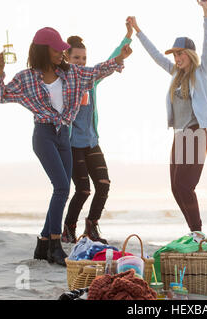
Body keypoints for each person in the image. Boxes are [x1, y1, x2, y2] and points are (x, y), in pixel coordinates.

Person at [0, 27, 132, 266]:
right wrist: (0, 72)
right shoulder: (26, 78)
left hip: (63, 135)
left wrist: (119, 59)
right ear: (44, 50)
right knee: (61, 188)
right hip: (44, 135)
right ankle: (55, 244)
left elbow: (97, 71)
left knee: (62, 189)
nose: (62, 52)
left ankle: (43, 244)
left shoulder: (72, 74)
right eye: (57, 49)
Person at [127, 0, 207, 232]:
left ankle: (198, 232)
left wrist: (206, 11)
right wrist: (138, 30)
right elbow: (155, 55)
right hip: (180, 135)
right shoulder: (175, 73)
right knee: (176, 187)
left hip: (196, 134)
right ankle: (194, 232)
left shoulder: (201, 72)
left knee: (185, 186)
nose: (177, 57)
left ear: (190, 54)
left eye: (180, 53)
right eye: (175, 54)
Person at [61, 23, 133, 244]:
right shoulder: (64, 83)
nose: (81, 62)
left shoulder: (91, 80)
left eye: (84, 58)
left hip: (91, 141)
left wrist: (127, 38)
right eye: (76, 58)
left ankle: (91, 226)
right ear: (67, 58)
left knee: (103, 184)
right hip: (73, 144)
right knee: (83, 190)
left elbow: (108, 63)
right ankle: (68, 229)